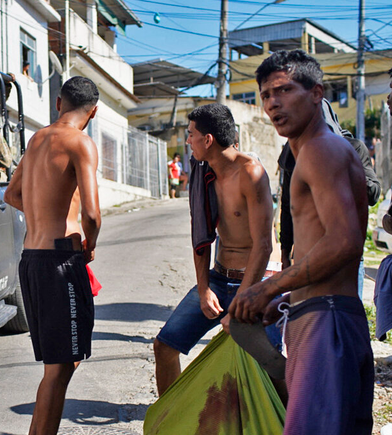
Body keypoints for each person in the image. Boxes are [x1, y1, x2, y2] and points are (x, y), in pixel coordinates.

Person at [228, 50, 373, 434]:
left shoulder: (320, 149)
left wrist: (268, 287)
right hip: (329, 314)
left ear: (316, 93)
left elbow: (344, 241)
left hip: (327, 323)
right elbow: (326, 244)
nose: (273, 103)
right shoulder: (317, 151)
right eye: (265, 95)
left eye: (285, 90)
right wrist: (289, 298)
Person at [152, 103, 274, 397]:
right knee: (164, 346)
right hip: (218, 278)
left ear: (208, 140)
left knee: (270, 366)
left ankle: (285, 419)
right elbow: (201, 234)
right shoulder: (202, 171)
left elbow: (264, 245)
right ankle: (171, 414)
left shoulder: (251, 173)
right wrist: (204, 288)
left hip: (254, 282)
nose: (187, 141)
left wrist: (243, 300)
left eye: (191, 134)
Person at [4, 77, 101, 435]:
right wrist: (89, 244)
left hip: (31, 259)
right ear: (93, 112)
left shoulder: (37, 139)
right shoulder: (80, 143)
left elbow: (12, 194)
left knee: (62, 363)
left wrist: (41, 215)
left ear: (59, 103)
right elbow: (92, 214)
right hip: (60, 263)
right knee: (59, 369)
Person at [277, 98, 379, 299]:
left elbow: (373, 194)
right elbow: (288, 206)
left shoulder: (353, 149)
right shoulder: (292, 155)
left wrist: (340, 165)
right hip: (306, 256)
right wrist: (285, 252)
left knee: (343, 311)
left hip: (345, 258)